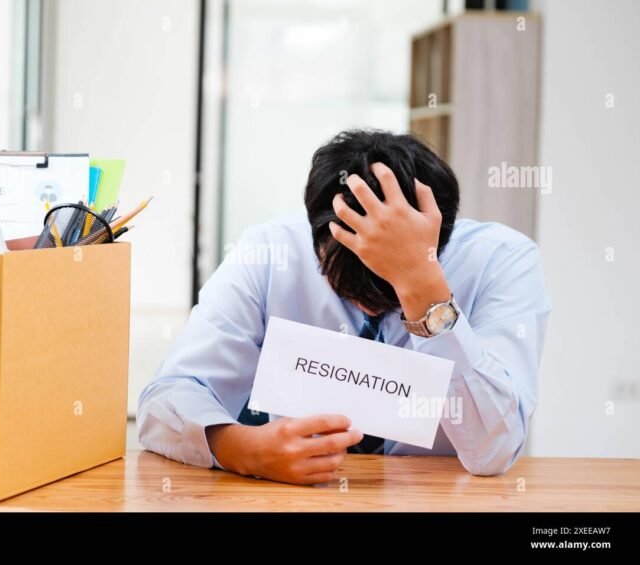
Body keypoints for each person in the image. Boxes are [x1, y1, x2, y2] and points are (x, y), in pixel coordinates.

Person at [137, 129, 551, 485]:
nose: (367, 308)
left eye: (385, 293)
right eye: (344, 286)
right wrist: (242, 448)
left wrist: (422, 288)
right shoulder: (269, 252)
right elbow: (163, 403)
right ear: (317, 239)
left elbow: (494, 450)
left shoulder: (502, 260)